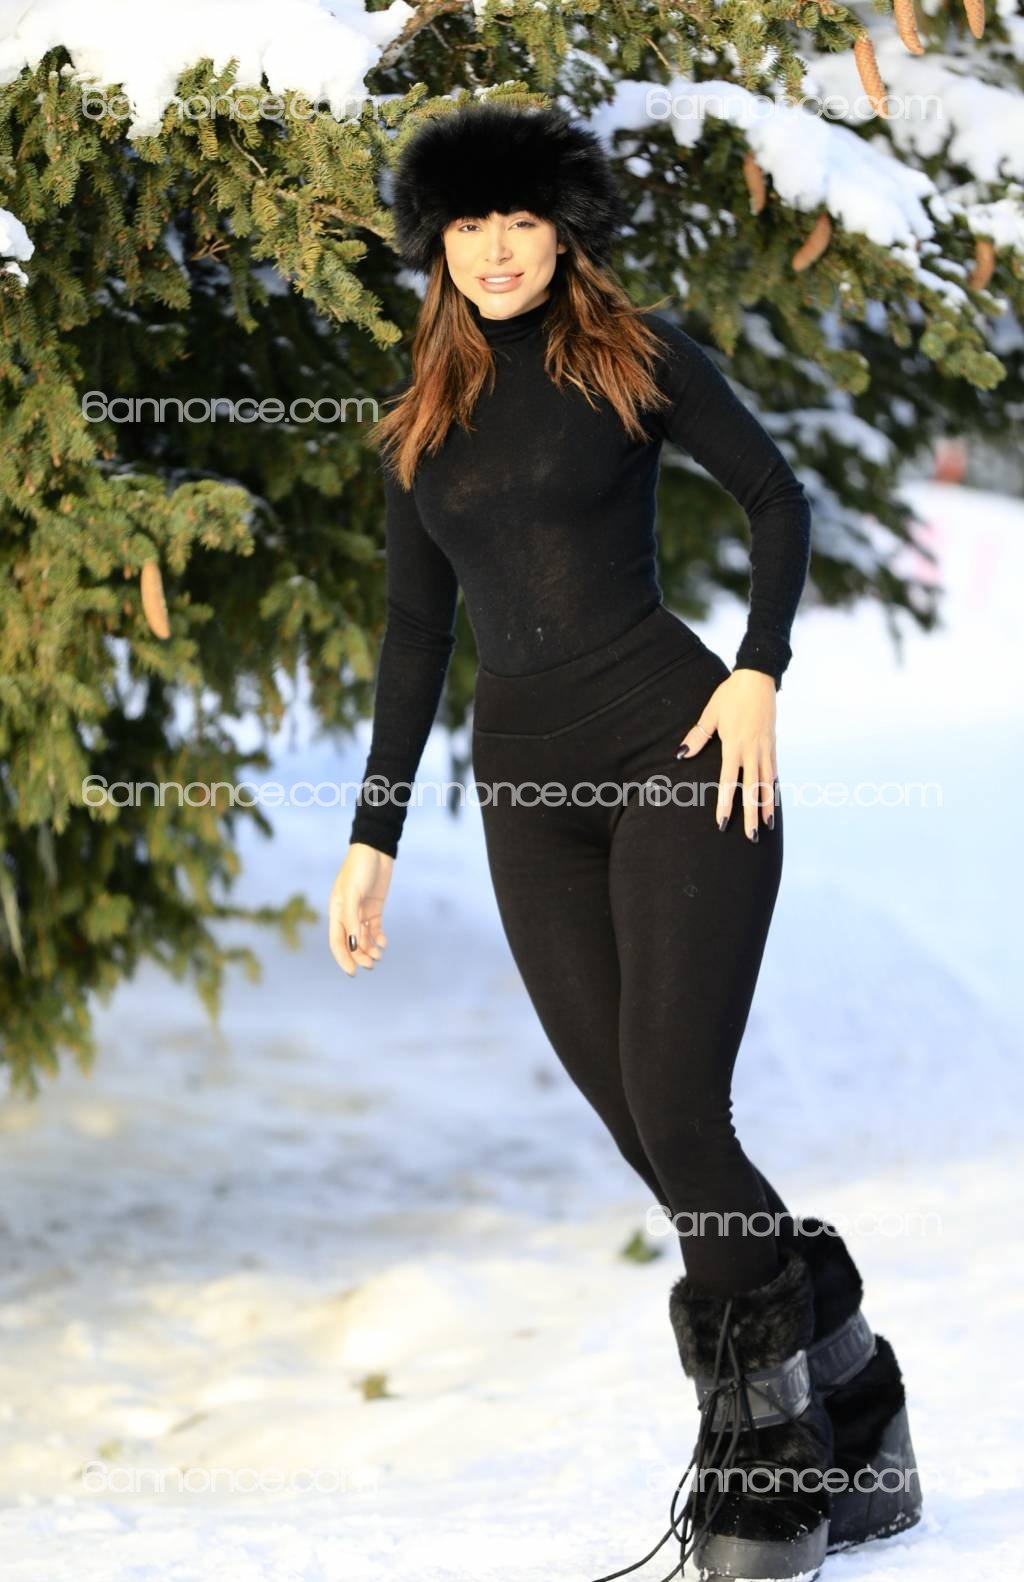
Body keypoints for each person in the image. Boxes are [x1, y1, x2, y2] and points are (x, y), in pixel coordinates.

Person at [327, 102, 921, 1582]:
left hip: (683, 754)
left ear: (564, 230)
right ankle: (856, 1406)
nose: (496, 249)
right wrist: (372, 836)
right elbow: (414, 636)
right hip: (527, 799)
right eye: (470, 224)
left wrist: (759, 671)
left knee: (681, 1109)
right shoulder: (420, 423)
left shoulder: (635, 357)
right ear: (438, 244)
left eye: (522, 219)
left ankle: (769, 1474)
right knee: (639, 1128)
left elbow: (776, 499)